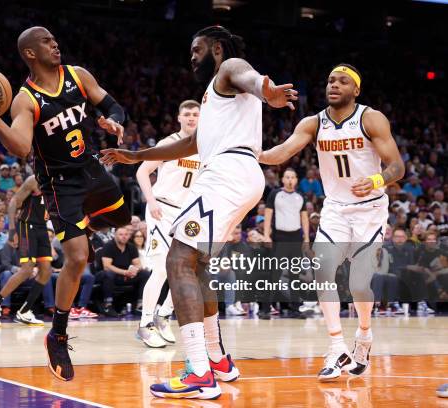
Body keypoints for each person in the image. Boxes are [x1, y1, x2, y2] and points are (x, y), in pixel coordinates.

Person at [101, 25, 296, 399]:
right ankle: (217, 359)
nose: (191, 56)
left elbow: (251, 78)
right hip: (237, 175)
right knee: (197, 265)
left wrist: (267, 91)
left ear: (217, 48)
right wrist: (137, 157)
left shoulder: (232, 66)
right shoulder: (213, 95)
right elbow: (191, 143)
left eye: (197, 49)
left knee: (177, 262)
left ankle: (198, 373)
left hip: (225, 175)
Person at [0, 26, 131, 381]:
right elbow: (22, 147)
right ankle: (57, 333)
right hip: (60, 185)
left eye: (54, 39)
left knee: (124, 215)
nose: (54, 43)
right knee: (76, 257)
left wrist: (113, 122)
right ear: (30, 53)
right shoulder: (25, 99)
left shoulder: (78, 75)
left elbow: (113, 106)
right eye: (45, 41)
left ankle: (84, 229)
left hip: (92, 167)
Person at [259, 63, 405, 381]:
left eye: (342, 81)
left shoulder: (371, 118)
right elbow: (281, 152)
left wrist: (378, 179)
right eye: (329, 80)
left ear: (356, 89)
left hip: (369, 210)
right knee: (323, 270)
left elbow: (397, 166)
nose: (333, 85)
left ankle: (364, 336)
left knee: (358, 284)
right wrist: (249, 152)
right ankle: (336, 345)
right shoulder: (314, 123)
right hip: (336, 209)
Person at [135, 99, 201, 348]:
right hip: (161, 208)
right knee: (162, 268)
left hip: (186, 213)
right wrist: (151, 201)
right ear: (179, 118)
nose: (192, 118)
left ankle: (163, 315)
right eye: (187, 114)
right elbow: (142, 171)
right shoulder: (168, 143)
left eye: (196, 114)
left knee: (189, 269)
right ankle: (145, 325)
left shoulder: (204, 147)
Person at [0, 176, 53, 326]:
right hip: (27, 226)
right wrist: (12, 230)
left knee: (46, 271)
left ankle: (25, 311)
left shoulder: (60, 182)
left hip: (42, 228)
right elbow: (14, 202)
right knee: (27, 269)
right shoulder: (35, 180)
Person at [262, 168, 309, 317]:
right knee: (274, 274)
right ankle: (265, 309)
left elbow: (304, 218)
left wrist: (306, 237)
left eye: (292, 177)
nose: (290, 180)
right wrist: (266, 234)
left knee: (295, 274)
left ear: (296, 180)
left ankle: (295, 309)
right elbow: (268, 215)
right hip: (279, 238)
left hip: (295, 238)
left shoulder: (300, 196)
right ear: (282, 179)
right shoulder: (275, 194)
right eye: (287, 177)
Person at [96, 227, 151, 317]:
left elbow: (138, 264)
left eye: (126, 235)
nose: (124, 237)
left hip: (125, 275)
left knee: (144, 274)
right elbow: (107, 266)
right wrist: (125, 272)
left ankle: (140, 305)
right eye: (121, 235)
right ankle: (108, 305)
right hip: (109, 275)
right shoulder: (109, 246)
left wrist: (134, 270)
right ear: (115, 236)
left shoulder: (131, 247)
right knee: (109, 274)